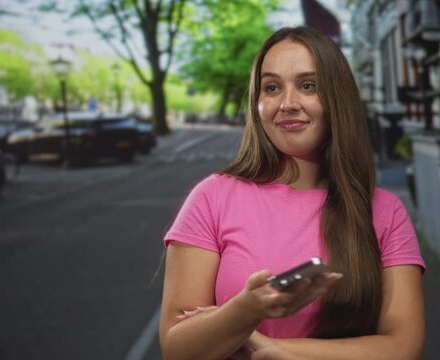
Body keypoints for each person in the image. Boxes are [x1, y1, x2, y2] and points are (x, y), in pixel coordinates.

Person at [159, 26, 426, 360]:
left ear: (337, 99)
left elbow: (404, 347)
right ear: (257, 103)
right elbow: (177, 349)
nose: (287, 103)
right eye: (271, 87)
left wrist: (266, 345)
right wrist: (246, 308)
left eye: (308, 86)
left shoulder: (385, 211)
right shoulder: (212, 197)